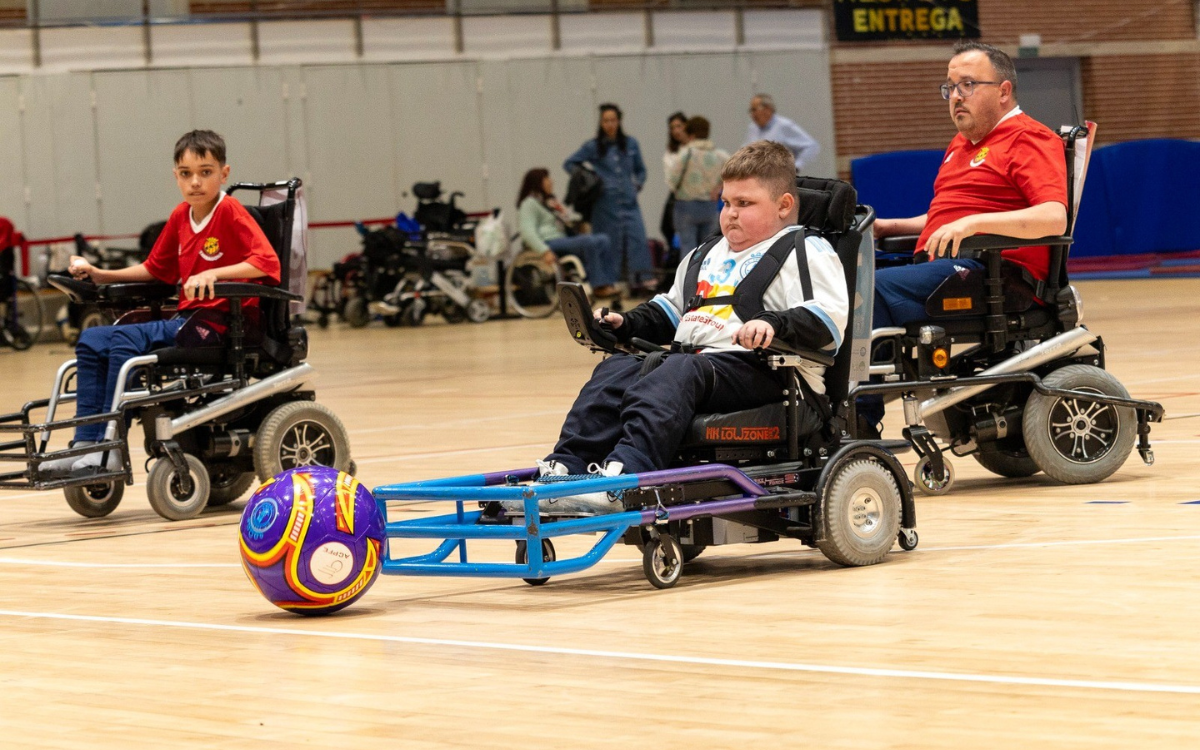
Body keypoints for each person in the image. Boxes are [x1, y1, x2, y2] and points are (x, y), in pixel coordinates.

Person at [536, 141, 848, 513]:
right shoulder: (706, 253)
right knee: (615, 368)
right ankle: (564, 472)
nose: (730, 214)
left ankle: (624, 476)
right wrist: (626, 323)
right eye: (726, 203)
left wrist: (773, 323)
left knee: (679, 369)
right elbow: (670, 311)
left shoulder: (806, 249)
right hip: (694, 367)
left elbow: (830, 318)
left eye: (744, 204)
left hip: (772, 375)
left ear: (784, 205)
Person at [861, 40, 1069, 433]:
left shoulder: (1028, 138)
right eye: (950, 88)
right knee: (840, 275)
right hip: (949, 262)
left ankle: (859, 422)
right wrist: (892, 226)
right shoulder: (963, 143)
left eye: (967, 85)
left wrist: (973, 224)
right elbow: (946, 217)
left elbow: (1054, 217)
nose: (955, 97)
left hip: (998, 276)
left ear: (1004, 91)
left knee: (867, 291)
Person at [45, 129, 280, 474]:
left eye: (206, 172)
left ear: (224, 174)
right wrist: (100, 273)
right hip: (188, 321)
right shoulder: (179, 216)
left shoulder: (230, 211)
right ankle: (87, 442)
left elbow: (266, 262)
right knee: (92, 338)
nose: (196, 182)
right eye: (186, 174)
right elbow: (155, 268)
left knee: (126, 337)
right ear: (176, 176)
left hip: (220, 324)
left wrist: (215, 274)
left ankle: (110, 446)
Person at [564, 103, 654, 292]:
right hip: (605, 205)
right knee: (609, 244)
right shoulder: (593, 146)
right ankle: (609, 284)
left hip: (629, 202)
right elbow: (569, 164)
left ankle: (640, 282)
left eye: (613, 120)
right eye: (606, 121)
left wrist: (636, 184)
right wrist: (589, 177)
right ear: (601, 123)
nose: (610, 124)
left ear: (619, 121)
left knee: (637, 239)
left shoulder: (631, 144)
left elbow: (641, 170)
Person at [516, 168, 618, 298]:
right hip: (548, 242)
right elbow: (527, 232)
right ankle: (598, 285)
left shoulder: (548, 202)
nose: (551, 182)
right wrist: (544, 250)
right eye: (547, 179)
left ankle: (609, 283)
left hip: (562, 239)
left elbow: (566, 223)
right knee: (589, 242)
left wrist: (562, 213)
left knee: (603, 239)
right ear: (537, 183)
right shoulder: (529, 204)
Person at [665, 116, 730, 256]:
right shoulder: (719, 155)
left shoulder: (685, 154)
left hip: (686, 205)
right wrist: (719, 188)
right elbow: (733, 174)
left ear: (690, 134)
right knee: (709, 248)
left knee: (688, 249)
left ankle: (689, 277)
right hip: (710, 206)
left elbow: (672, 180)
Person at [745, 93, 821, 173]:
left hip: (779, 177)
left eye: (754, 110)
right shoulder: (753, 128)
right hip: (758, 177)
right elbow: (746, 151)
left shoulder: (783, 126)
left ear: (767, 109)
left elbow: (811, 145)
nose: (752, 114)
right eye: (751, 111)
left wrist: (797, 166)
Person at [659, 111, 689, 244]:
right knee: (666, 227)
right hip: (676, 192)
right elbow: (670, 174)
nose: (676, 131)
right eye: (672, 128)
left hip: (692, 193)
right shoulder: (671, 150)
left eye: (679, 126)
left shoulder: (693, 147)